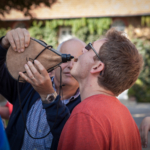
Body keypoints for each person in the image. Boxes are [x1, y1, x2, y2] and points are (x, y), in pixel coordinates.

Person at [58, 28, 143, 150]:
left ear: (97, 66)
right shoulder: (127, 117)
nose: (82, 50)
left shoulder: (86, 116)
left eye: (89, 47)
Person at [0, 28, 85, 150]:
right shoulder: (28, 84)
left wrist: (47, 94)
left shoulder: (85, 105)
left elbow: (70, 140)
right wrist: (3, 44)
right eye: (65, 58)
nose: (70, 65)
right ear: (53, 62)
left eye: (77, 60)